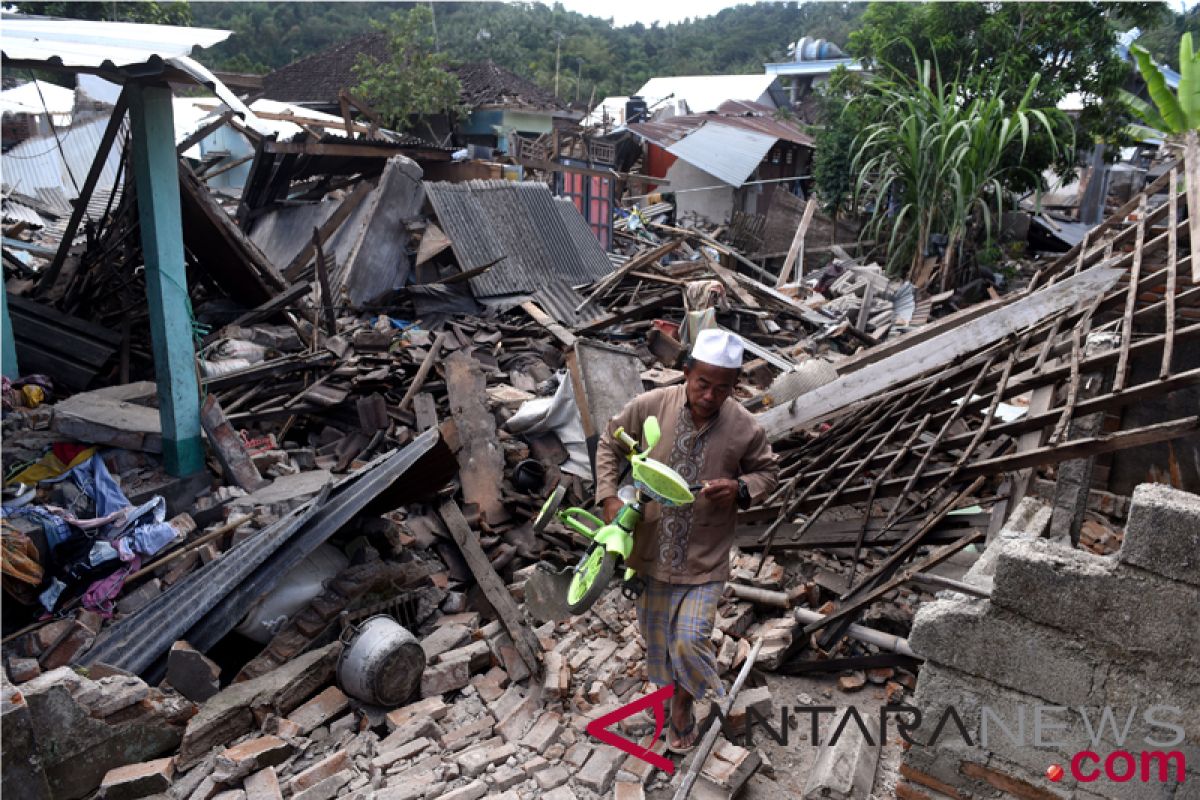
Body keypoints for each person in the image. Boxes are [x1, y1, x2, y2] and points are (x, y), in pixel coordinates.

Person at [593, 328, 780, 753]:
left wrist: (739, 487)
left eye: (723, 388)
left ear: (735, 387)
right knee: (657, 640)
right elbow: (610, 440)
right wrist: (607, 495)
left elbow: (769, 473)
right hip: (649, 552)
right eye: (702, 383)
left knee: (690, 639)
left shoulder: (745, 428)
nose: (711, 395)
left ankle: (682, 706)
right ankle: (668, 695)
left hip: (704, 558)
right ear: (687, 371)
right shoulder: (651, 406)